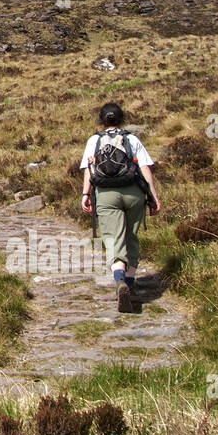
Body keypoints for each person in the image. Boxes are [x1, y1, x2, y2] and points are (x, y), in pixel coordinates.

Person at [79, 102, 161, 312]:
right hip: (133, 192)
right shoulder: (131, 139)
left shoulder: (94, 141)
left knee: (114, 238)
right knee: (131, 238)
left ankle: (119, 281)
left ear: (101, 119)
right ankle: (131, 284)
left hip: (106, 195)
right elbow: (145, 169)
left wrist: (86, 194)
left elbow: (89, 170)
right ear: (122, 118)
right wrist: (153, 197)